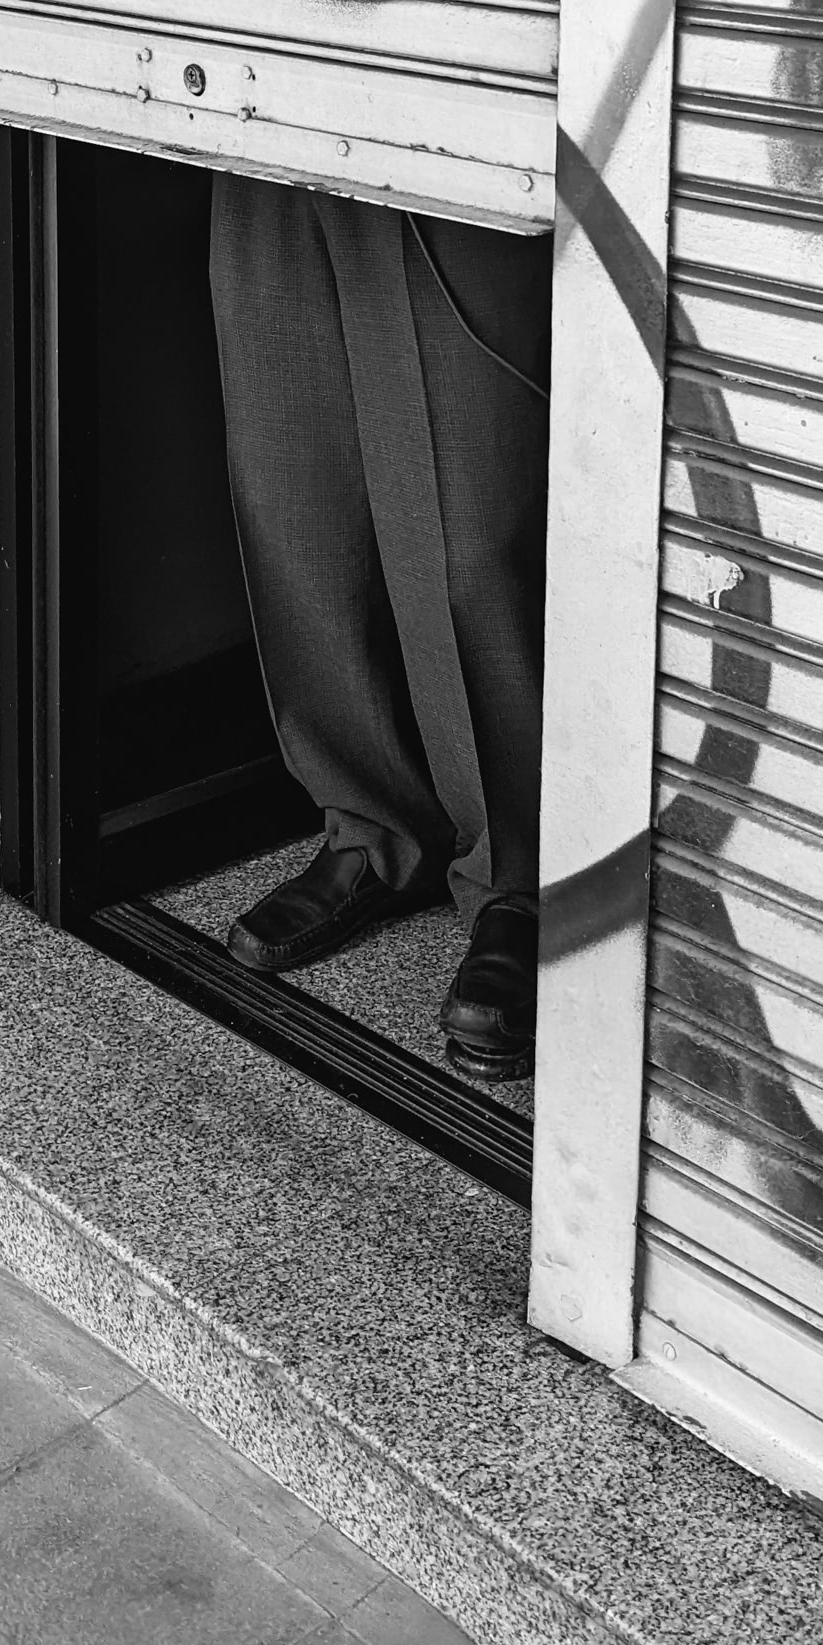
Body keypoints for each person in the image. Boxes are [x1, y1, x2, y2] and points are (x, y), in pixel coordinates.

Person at [208, 176, 550, 1081]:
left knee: (465, 500)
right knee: (297, 478)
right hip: (263, 66)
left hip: (450, 71)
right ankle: (371, 823)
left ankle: (522, 875)